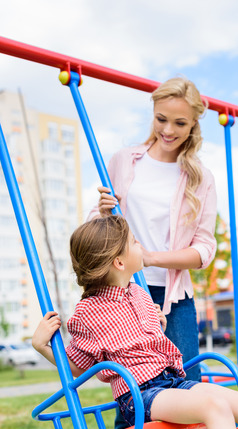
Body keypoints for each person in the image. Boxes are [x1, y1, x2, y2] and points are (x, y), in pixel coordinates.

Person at [32, 217, 238, 429]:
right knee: (216, 407)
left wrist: (156, 327)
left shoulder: (139, 293)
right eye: (134, 242)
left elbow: (139, 342)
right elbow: (77, 368)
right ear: (119, 262)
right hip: (140, 395)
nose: (140, 245)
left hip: (173, 381)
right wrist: (42, 346)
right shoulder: (89, 311)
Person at [87, 77, 217, 383]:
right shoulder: (124, 160)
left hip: (173, 296)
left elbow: (204, 250)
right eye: (161, 119)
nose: (168, 131)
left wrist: (151, 258)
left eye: (180, 123)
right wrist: (102, 212)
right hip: (122, 292)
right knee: (133, 388)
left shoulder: (201, 178)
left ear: (193, 125)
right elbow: (98, 224)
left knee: (187, 386)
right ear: (153, 114)